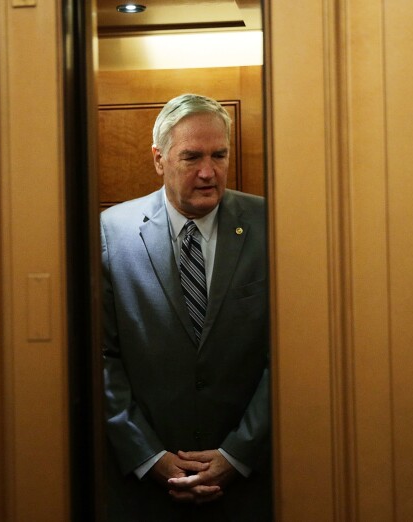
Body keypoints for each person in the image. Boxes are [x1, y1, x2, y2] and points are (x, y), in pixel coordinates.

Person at [100, 93, 272, 521]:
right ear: (159, 159)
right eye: (192, 157)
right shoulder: (110, 233)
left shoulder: (271, 224)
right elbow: (102, 359)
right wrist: (148, 456)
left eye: (219, 155)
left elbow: (290, 355)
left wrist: (238, 453)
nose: (209, 172)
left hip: (252, 486)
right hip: (143, 492)